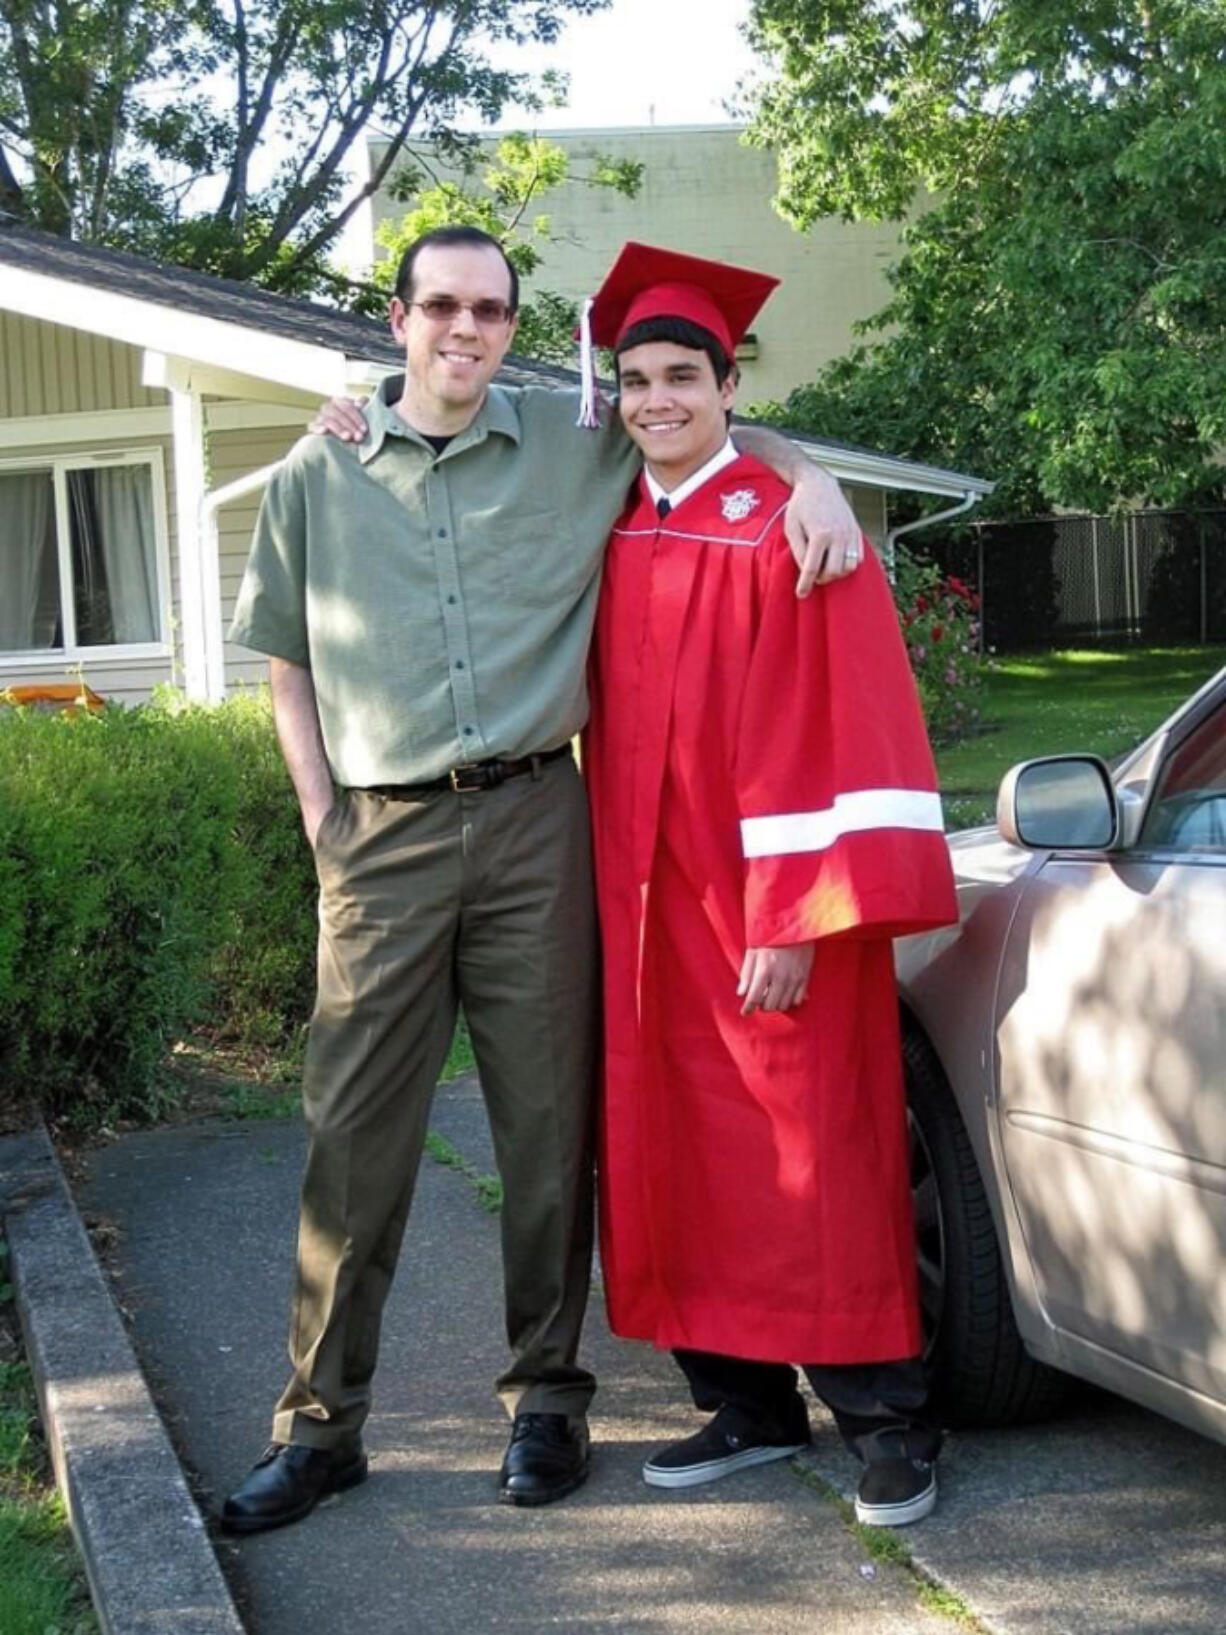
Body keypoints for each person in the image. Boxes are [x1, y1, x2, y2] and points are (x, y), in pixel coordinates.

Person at [220, 224, 863, 1535]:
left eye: (492, 310)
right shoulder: (316, 470)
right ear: (396, 317)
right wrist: (318, 814)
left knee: (550, 1132)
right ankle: (320, 1425)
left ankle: (547, 1401)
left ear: (516, 325)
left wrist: (816, 481)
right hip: (384, 838)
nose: (467, 329)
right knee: (355, 1140)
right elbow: (282, 652)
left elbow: (707, 419)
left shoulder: (574, 437)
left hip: (535, 825)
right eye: (442, 306)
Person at [581, 243, 959, 1527]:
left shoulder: (794, 532)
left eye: (680, 375)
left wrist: (792, 917)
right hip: (647, 920)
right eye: (633, 379)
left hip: (768, 911)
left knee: (812, 1154)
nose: (654, 400)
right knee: (678, 1151)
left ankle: (889, 1423)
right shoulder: (619, 516)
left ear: (729, 382)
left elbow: (833, 733)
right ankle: (743, 1405)